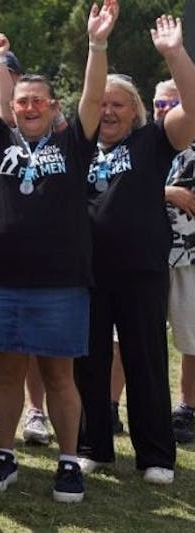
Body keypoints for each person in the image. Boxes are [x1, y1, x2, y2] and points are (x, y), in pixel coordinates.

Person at [0, 0, 115, 503]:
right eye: (21, 101)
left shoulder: (74, 142)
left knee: (58, 374)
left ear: (52, 108)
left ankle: (69, 460)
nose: (28, 108)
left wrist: (97, 45)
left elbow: (93, 100)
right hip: (0, 279)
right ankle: (4, 453)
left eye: (38, 102)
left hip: (60, 283)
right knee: (6, 371)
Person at [76, 14, 195, 485]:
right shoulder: (80, 144)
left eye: (118, 104)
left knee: (145, 358)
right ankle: (93, 445)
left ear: (136, 111)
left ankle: (156, 455)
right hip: (88, 271)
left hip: (142, 269)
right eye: (102, 102)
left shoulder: (153, 141)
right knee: (90, 361)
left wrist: (174, 54)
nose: (108, 111)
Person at [160, 78, 195, 444]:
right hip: (146, 255)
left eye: (171, 104)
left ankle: (187, 407)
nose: (164, 112)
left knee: (191, 336)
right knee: (125, 337)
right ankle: (110, 404)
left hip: (191, 256)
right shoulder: (140, 143)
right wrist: (166, 192)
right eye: (158, 104)